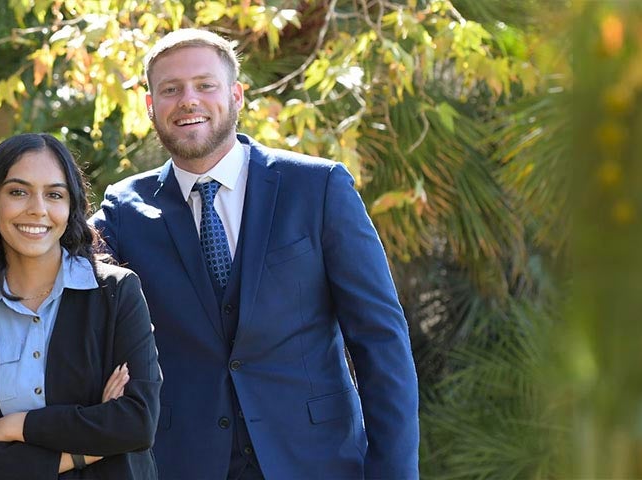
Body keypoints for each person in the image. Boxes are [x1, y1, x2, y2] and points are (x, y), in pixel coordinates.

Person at [89, 28, 419, 478]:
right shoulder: (125, 209)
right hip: (183, 463)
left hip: (317, 461)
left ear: (237, 95)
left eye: (205, 85)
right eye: (171, 90)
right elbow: (51, 263)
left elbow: (381, 340)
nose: (189, 100)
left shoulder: (318, 188)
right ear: (150, 107)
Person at [0, 133, 162, 479]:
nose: (37, 209)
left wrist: (13, 427)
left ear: (70, 207)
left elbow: (136, 424)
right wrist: (85, 449)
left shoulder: (116, 294)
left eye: (54, 194)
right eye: (18, 192)